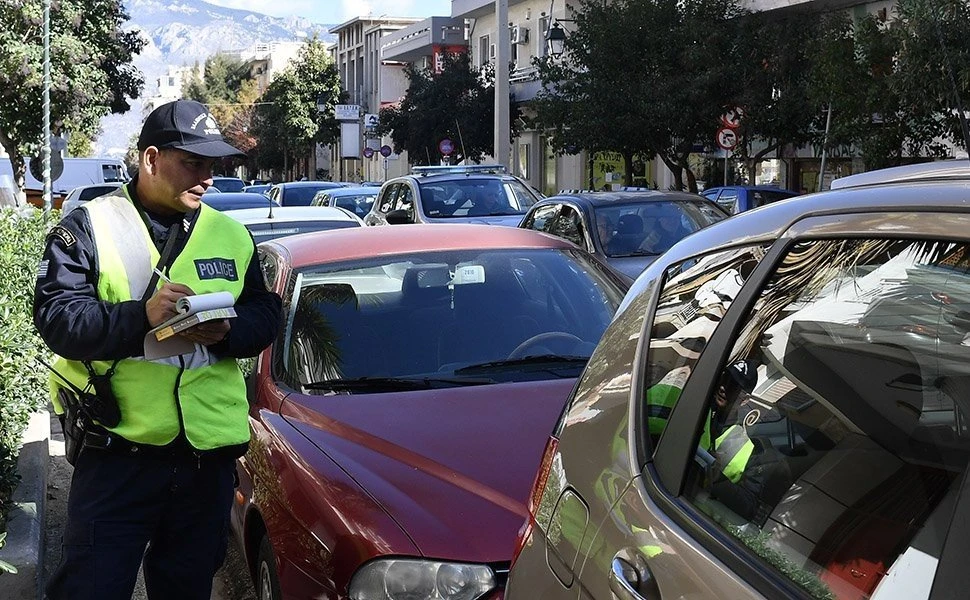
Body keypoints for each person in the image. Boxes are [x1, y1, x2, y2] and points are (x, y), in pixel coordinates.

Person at [34, 99, 282, 600]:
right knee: (92, 589)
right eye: (194, 163)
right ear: (150, 159)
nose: (208, 176)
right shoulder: (88, 227)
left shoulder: (231, 234)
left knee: (187, 589)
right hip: (118, 457)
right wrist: (140, 316)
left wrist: (227, 333)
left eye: (214, 165)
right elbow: (57, 320)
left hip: (204, 464)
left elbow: (265, 313)